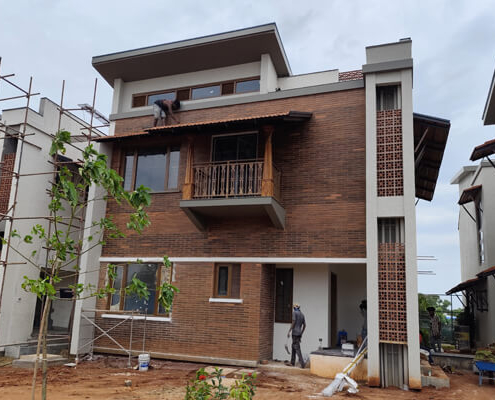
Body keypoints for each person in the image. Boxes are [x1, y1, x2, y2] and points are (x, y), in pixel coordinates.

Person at [287, 303, 306, 368]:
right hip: (299, 333)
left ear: (295, 307)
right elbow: (305, 325)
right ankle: (292, 362)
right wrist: (301, 333)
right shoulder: (302, 314)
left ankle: (302, 364)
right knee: (293, 346)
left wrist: (289, 331)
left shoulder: (294, 313)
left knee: (297, 348)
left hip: (295, 333)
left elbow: (293, 321)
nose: (293, 308)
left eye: (294, 307)